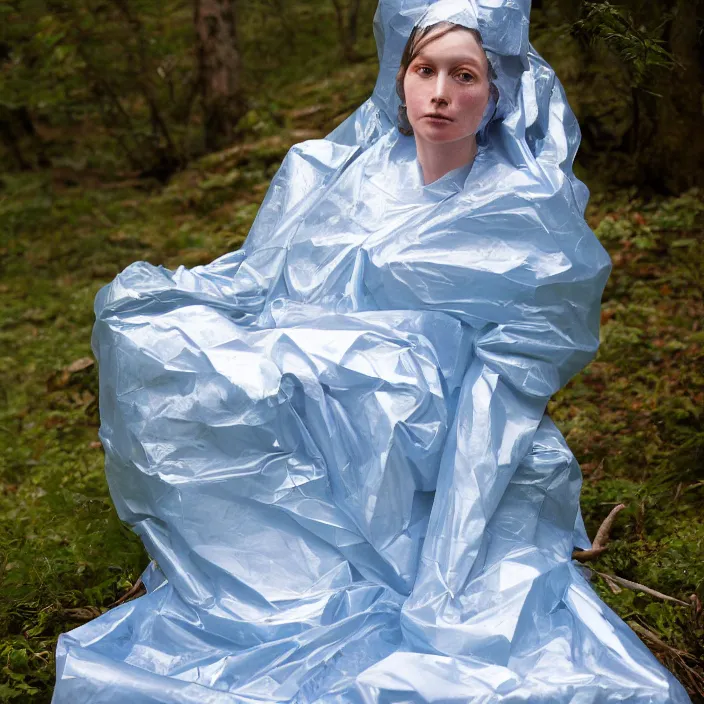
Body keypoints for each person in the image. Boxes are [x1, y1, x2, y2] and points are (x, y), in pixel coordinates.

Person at [52, 1, 693, 702]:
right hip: (327, 375)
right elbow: (261, 272)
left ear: (499, 89)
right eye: (425, 70)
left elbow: (513, 377)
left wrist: (451, 557)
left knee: (323, 372)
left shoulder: (526, 208)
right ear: (400, 76)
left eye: (465, 74)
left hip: (422, 410)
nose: (441, 93)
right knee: (168, 339)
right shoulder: (342, 169)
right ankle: (269, 575)